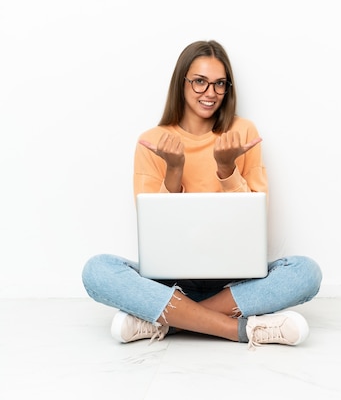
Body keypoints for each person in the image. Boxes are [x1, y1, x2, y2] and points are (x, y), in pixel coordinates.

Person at [82, 40, 322, 349]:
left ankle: (165, 321)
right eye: (200, 82)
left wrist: (226, 168)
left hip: (233, 283)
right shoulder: (153, 141)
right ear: (181, 82)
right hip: (169, 282)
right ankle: (241, 329)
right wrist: (173, 170)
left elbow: (254, 219)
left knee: (306, 273)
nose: (210, 93)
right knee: (97, 270)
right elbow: (156, 230)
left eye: (219, 84)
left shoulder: (243, 133)